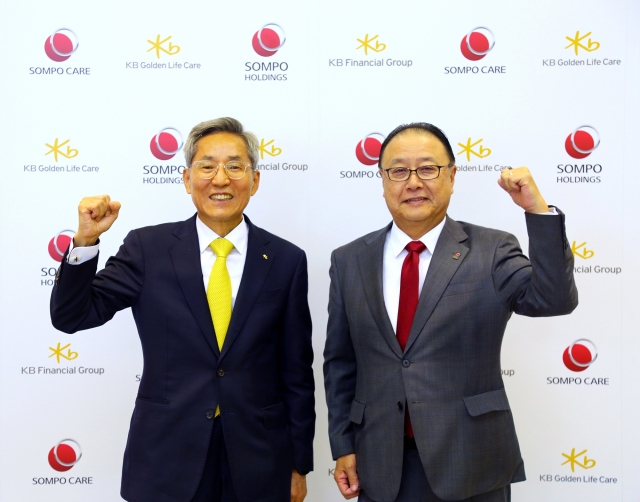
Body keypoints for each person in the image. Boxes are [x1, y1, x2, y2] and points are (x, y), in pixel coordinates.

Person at [50, 117, 315, 502]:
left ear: (254, 180)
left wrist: (298, 463)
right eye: (207, 166)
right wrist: (87, 240)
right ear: (187, 178)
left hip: (260, 461)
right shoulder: (148, 248)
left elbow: (296, 372)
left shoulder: (286, 259)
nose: (221, 179)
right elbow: (71, 317)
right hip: (166, 457)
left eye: (235, 166)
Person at [323, 123, 578, 502]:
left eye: (427, 169)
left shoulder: (491, 249)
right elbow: (340, 362)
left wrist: (537, 211)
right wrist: (343, 445)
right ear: (382, 180)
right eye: (398, 171)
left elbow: (553, 299)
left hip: (471, 460)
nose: (412, 183)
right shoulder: (350, 260)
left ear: (452, 176)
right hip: (381, 464)